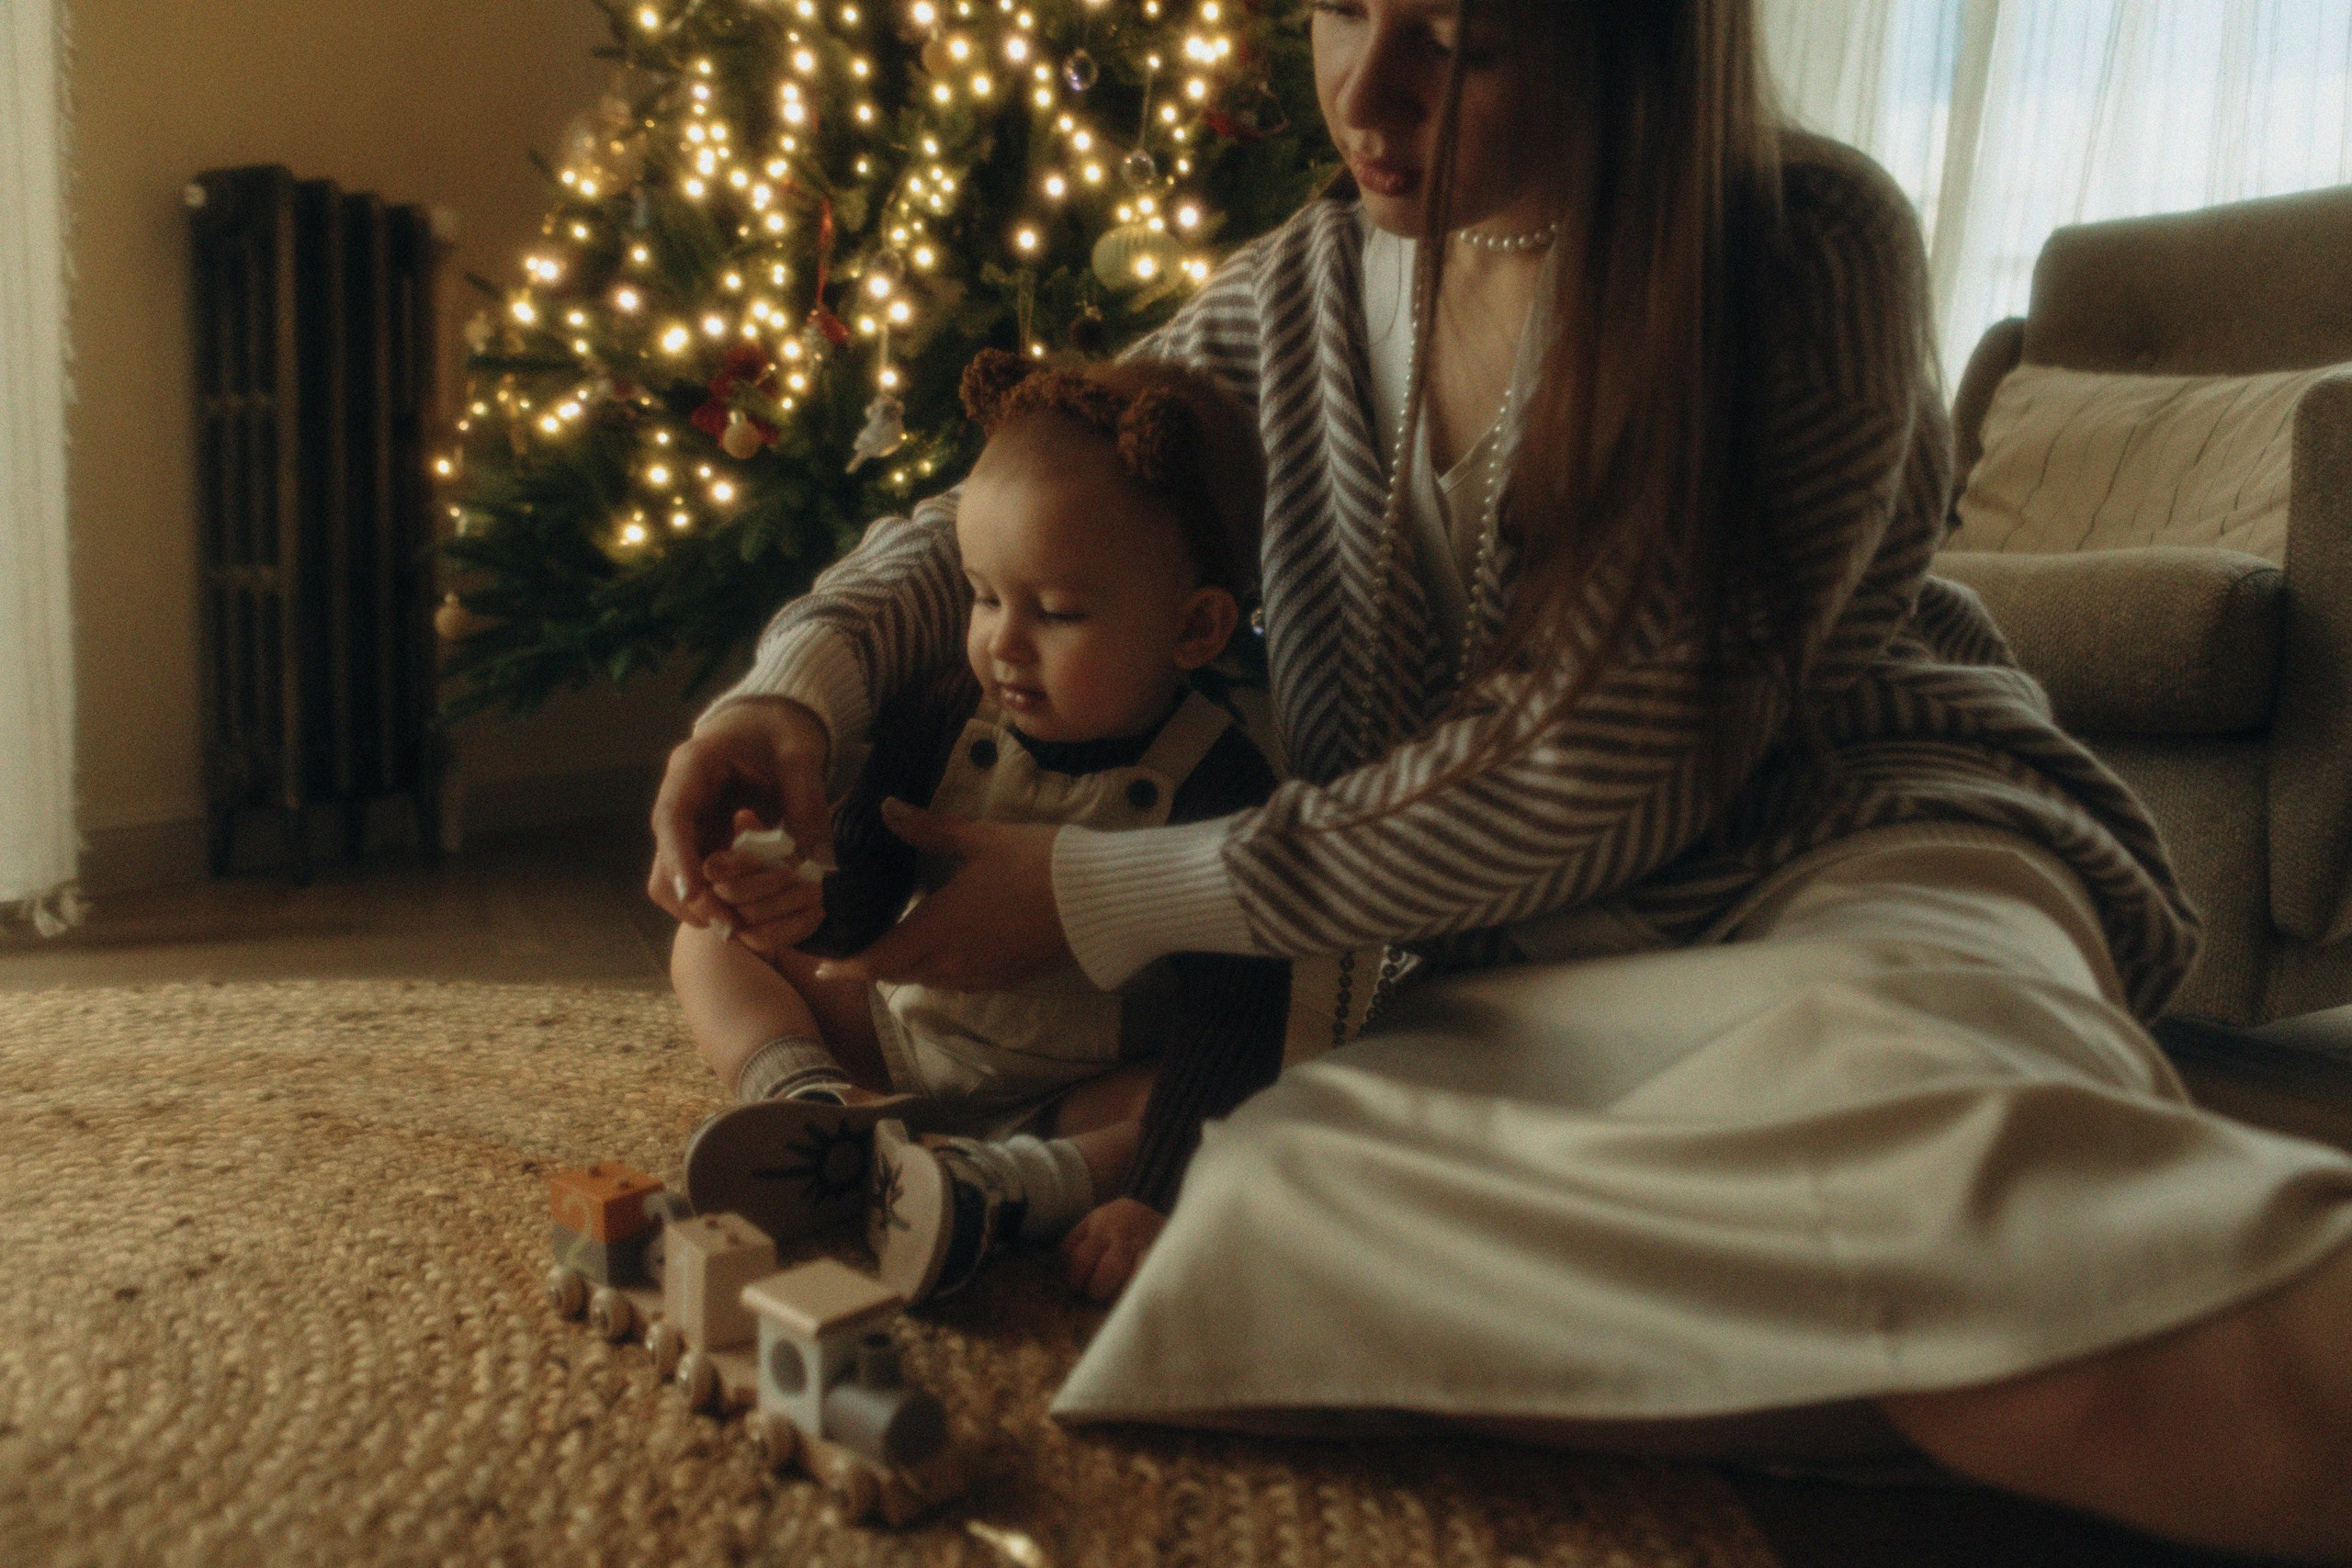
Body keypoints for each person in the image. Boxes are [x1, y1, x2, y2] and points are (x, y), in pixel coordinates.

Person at [651, 0, 2352, 1557]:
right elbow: (1020, 499)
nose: (1366, 95)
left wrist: (1094, 892)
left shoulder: (1799, 248)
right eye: (1334, 10)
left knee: (1972, 1205)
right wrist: (795, 686)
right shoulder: (1301, 292)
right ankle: (1916, 1322)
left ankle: (2055, 1281)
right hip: (1545, 964)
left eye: (1461, 40)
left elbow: (1605, 759)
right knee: (1264, 1207)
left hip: (1867, 859)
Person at [668, 350, 1290, 1305]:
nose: (1002, 641)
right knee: (704, 945)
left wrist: (1158, 1196)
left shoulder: (1218, 781)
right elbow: (858, 904)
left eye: (1057, 611)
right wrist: (786, 902)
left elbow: (1232, 1017)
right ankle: (812, 1106)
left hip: (1071, 1088)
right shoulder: (943, 712)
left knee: (1204, 1100)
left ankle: (1004, 1187)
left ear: (1197, 628)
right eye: (984, 595)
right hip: (899, 1037)